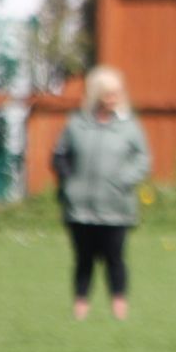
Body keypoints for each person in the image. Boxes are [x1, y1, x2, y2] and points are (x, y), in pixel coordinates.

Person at [51, 65, 151, 321]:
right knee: (83, 259)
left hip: (116, 207)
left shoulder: (129, 127)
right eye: (107, 94)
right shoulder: (77, 125)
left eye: (116, 93)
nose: (112, 99)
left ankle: (119, 309)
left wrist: (123, 181)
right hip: (80, 207)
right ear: (96, 95)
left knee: (115, 258)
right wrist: (69, 182)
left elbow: (143, 159)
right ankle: (80, 310)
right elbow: (60, 155)